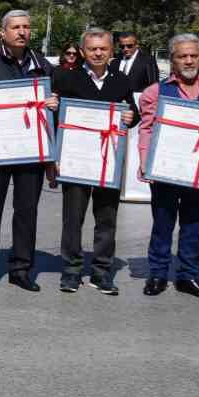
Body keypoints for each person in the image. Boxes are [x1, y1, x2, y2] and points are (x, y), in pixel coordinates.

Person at [0, 9, 58, 292]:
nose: (22, 32)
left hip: (31, 152)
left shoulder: (42, 65)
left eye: (27, 27)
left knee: (26, 212)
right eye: (16, 27)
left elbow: (51, 113)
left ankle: (20, 268)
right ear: (3, 32)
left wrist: (54, 106)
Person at [139, 34, 199, 300]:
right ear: (173, 60)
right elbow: (146, 129)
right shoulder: (155, 91)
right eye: (182, 56)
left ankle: (188, 276)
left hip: (197, 171)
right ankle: (157, 273)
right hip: (166, 169)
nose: (188, 60)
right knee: (162, 223)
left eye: (193, 55)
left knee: (193, 223)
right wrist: (146, 163)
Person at [51, 28, 138, 296]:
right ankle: (72, 270)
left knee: (106, 218)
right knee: (72, 218)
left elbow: (132, 113)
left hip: (108, 161)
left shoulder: (122, 81)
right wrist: (53, 106)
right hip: (75, 161)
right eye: (92, 49)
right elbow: (56, 119)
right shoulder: (66, 78)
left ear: (111, 51)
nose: (98, 53)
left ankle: (101, 272)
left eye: (103, 48)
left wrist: (130, 117)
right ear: (82, 52)